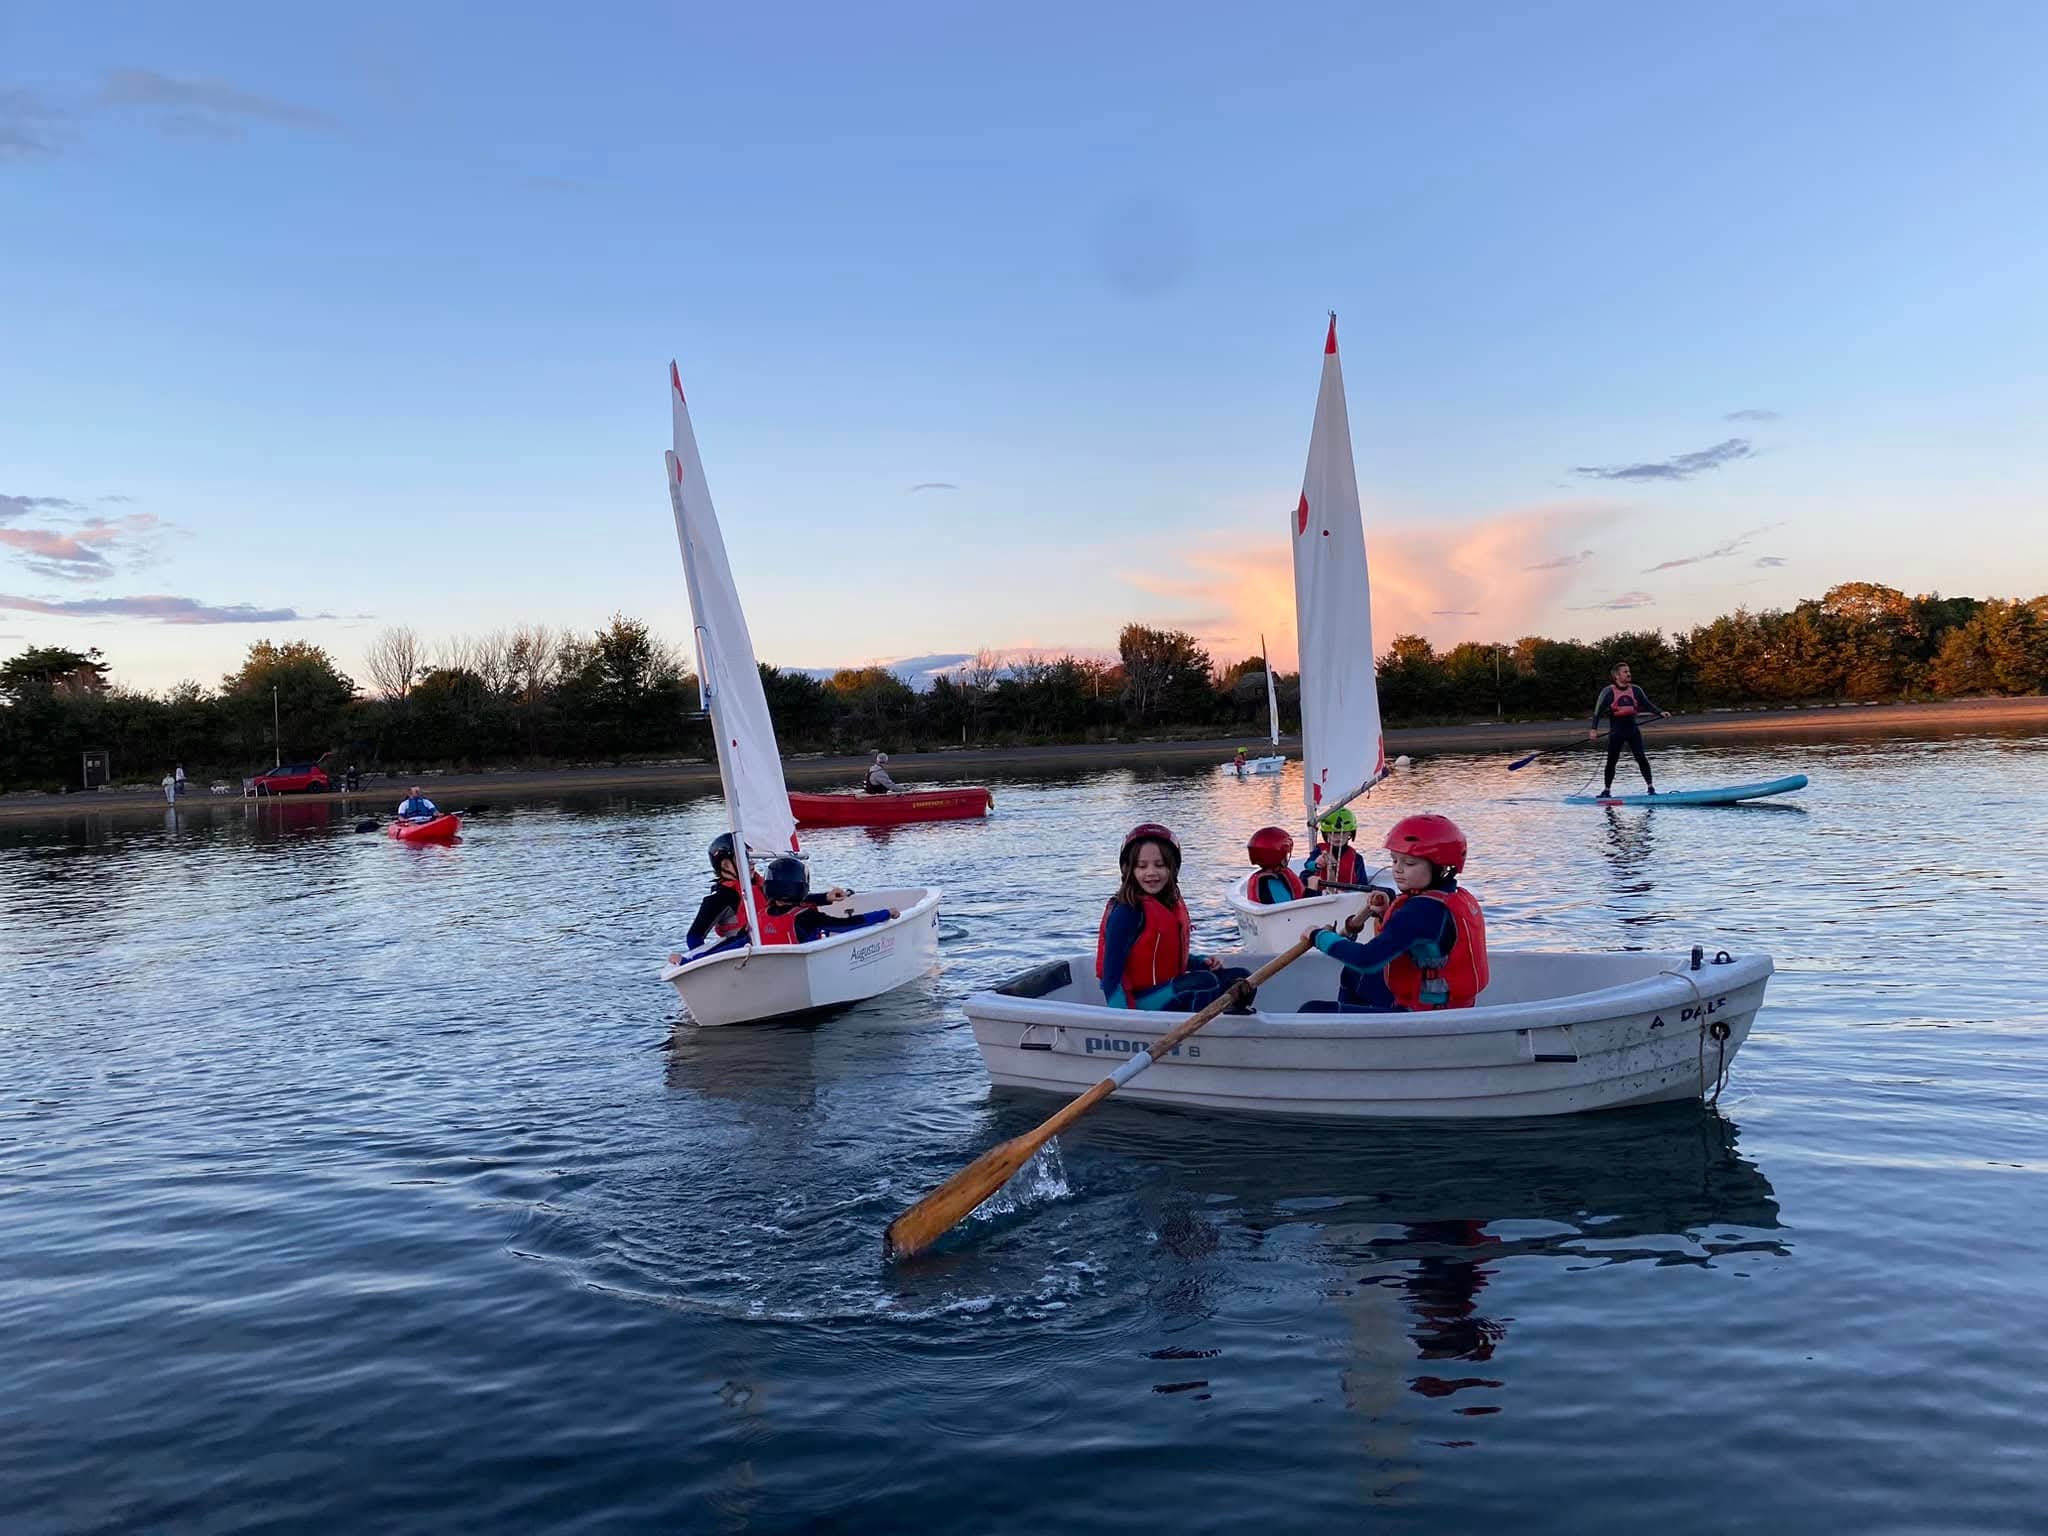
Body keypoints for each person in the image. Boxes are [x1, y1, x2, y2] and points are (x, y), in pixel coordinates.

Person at [1302, 813, 1488, 1013]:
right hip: (1453, 1006)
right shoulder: (1454, 896)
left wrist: (1318, 936)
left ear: (1440, 868)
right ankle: (1357, 1028)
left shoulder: (1421, 911)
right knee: (1352, 973)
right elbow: (1422, 940)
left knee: (1310, 1011)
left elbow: (1366, 960)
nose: (1397, 870)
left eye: (1409, 863)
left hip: (1426, 1016)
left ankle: (1354, 1030)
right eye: (1394, 860)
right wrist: (1386, 913)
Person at [1096, 822, 1253, 1011]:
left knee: (1242, 979)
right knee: (1204, 981)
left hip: (1166, 990)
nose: (1151, 873)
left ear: (1173, 868)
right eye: (1141, 866)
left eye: (1160, 865)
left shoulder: (1168, 904)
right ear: (1129, 870)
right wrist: (1124, 1020)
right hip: (1138, 1004)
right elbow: (1111, 975)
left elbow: (1160, 955)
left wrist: (1199, 962)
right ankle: (1219, 1018)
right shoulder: (1127, 912)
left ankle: (1227, 1021)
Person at [755, 856, 895, 944]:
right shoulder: (807, 916)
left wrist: (825, 897)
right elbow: (847, 925)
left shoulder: (759, 916)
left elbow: (740, 941)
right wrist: (886, 913)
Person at [1589, 662, 1661, 797]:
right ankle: (1606, 790)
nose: (1629, 674)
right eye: (1625, 672)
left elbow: (1647, 704)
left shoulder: (1636, 690)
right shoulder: (1608, 692)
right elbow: (1597, 712)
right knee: (1612, 761)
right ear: (1617, 676)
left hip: (1633, 731)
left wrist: (1660, 713)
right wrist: (1593, 729)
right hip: (1617, 733)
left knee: (1641, 758)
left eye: (1629, 671)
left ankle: (1651, 789)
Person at [1301, 806, 1369, 892]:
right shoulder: (1319, 850)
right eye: (1333, 833)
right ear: (1326, 834)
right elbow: (1308, 865)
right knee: (1304, 875)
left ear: (1350, 834)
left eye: (1343, 833)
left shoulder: (1357, 858)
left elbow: (1363, 883)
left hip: (1346, 896)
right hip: (1321, 894)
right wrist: (1317, 864)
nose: (1338, 837)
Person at [1244, 826, 1306, 904]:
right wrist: (1312, 889)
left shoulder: (1260, 878)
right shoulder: (1271, 882)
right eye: (1285, 854)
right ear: (1278, 855)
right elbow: (1287, 908)